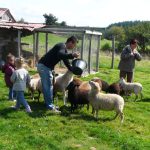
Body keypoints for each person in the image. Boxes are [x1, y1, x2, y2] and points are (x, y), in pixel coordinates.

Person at [37, 36, 79, 111]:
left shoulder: (64, 50)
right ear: (70, 42)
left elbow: (67, 63)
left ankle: (49, 104)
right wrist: (72, 55)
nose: (74, 47)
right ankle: (50, 106)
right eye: (74, 45)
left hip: (45, 67)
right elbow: (60, 54)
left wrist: (73, 70)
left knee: (49, 85)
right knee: (48, 86)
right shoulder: (61, 46)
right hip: (44, 67)